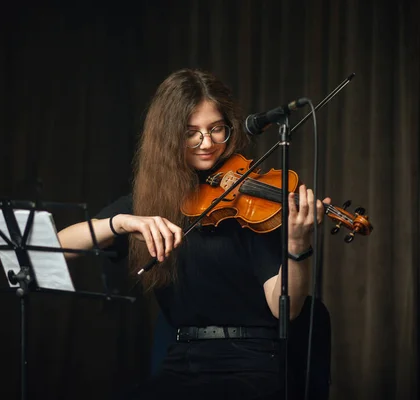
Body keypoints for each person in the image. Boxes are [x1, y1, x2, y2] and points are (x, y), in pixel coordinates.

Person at [57, 68, 330, 399]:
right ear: (169, 138)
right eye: (191, 133)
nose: (207, 143)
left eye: (216, 129)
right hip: (182, 363)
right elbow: (58, 246)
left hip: (252, 365)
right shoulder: (150, 201)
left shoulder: (251, 203)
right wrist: (120, 223)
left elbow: (284, 308)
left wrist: (297, 246)